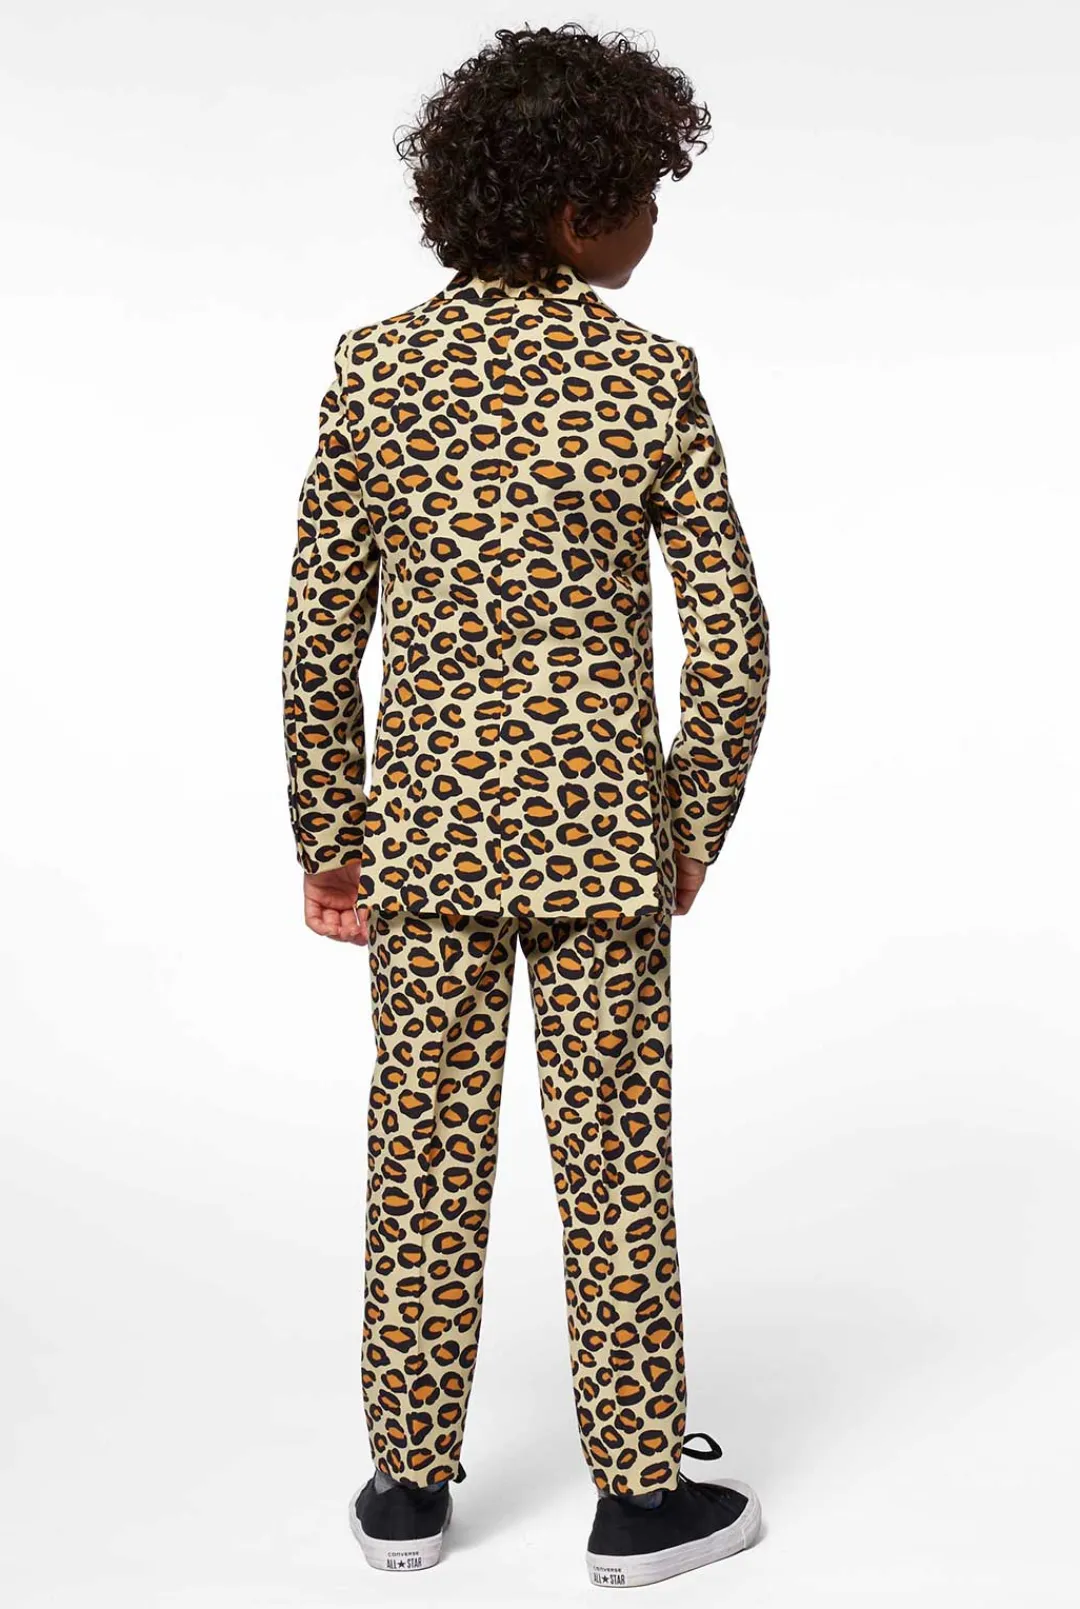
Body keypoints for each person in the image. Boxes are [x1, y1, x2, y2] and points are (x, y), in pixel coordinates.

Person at [281, 21, 770, 1590]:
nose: (654, 225)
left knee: (420, 1155)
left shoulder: (376, 369)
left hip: (422, 849)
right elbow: (736, 637)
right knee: (615, 1163)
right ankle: (640, 1498)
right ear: (581, 211)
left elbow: (319, 634)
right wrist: (685, 825)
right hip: (601, 849)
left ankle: (406, 1489)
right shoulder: (646, 378)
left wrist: (333, 838)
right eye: (645, 197)